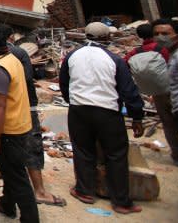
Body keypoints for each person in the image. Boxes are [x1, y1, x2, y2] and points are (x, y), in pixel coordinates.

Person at [59, 22, 144, 215]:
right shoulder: (114, 59)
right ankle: (121, 201)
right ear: (107, 38)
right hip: (108, 112)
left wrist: (72, 101)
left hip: (79, 110)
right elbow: (128, 91)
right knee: (116, 155)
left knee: (82, 150)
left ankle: (84, 190)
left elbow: (64, 83)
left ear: (86, 36)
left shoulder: (72, 56)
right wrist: (136, 116)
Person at [0, 25, 66, 207]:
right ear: (11, 37)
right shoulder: (19, 53)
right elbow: (26, 78)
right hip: (23, 107)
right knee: (31, 147)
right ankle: (38, 191)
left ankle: (8, 199)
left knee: (6, 149)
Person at [0, 26, 39, 222]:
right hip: (18, 125)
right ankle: (7, 204)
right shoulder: (11, 59)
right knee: (10, 171)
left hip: (7, 131)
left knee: (17, 177)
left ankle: (30, 218)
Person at [150, 18, 178, 165]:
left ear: (177, 35)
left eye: (165, 33)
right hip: (167, 98)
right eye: (156, 34)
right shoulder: (166, 53)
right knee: (169, 126)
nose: (160, 37)